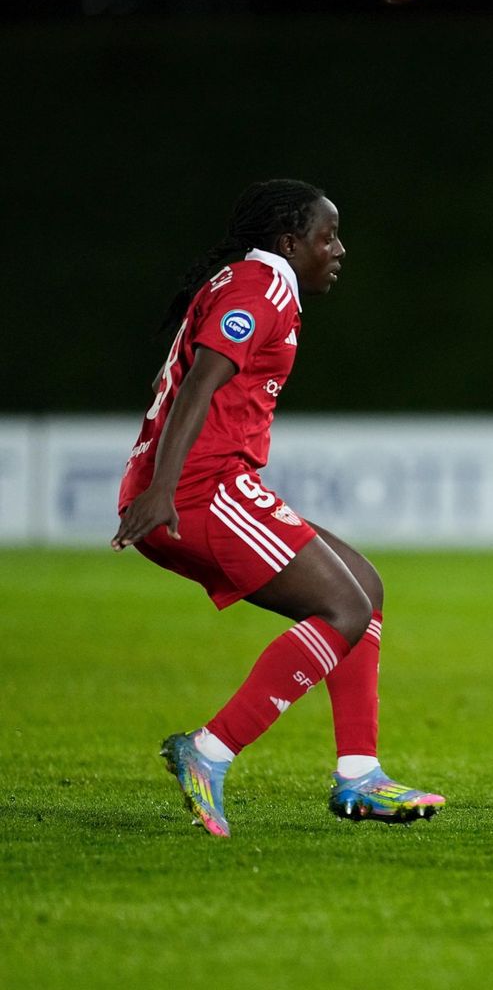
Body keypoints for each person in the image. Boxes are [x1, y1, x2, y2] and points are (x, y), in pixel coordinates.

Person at [112, 179, 444, 837]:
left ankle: (359, 777)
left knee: (365, 590)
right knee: (342, 607)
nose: (339, 250)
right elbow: (199, 385)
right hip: (199, 492)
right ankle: (208, 752)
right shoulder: (261, 286)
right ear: (290, 242)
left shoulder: (249, 284)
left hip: (206, 485)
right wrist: (163, 489)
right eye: (328, 237)